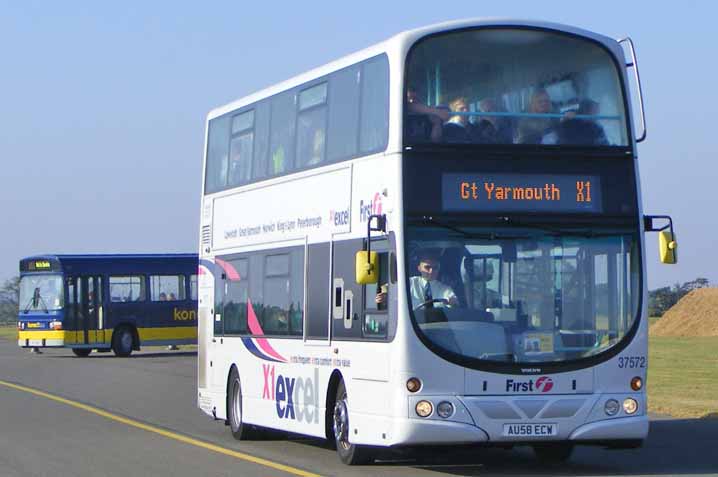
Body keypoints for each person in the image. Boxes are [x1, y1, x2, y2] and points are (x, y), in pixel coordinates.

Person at [377, 249, 458, 309]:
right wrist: (386, 295)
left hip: (439, 323)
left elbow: (454, 302)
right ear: (419, 268)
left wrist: (453, 302)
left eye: (435, 267)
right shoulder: (409, 283)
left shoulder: (445, 289)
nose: (431, 271)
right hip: (412, 324)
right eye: (427, 267)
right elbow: (385, 287)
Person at [544, 99, 609, 146]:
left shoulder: (597, 128)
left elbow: (603, 142)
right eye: (594, 112)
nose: (596, 115)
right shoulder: (570, 122)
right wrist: (563, 119)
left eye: (597, 112)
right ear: (586, 111)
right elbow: (553, 130)